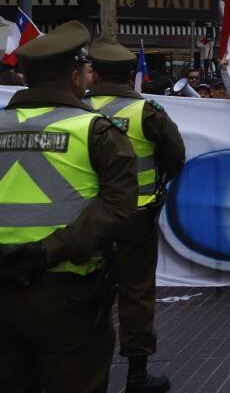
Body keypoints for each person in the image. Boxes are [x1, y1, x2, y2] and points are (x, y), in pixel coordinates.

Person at [0, 21, 138, 393]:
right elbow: (119, 209)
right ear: (77, 76)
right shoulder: (97, 132)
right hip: (68, 294)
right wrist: (46, 252)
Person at [85, 38, 186, 393]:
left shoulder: (78, 111)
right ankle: (136, 375)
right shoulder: (147, 113)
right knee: (136, 293)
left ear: (93, 73)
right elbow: (175, 157)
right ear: (131, 75)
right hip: (136, 218)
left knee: (83, 290)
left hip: (87, 221)